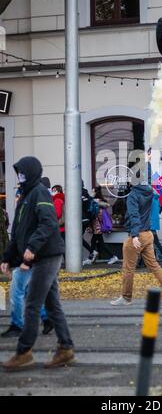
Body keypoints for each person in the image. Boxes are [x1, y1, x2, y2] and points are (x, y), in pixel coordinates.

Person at [1, 156, 74, 370]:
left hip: (47, 255)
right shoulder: (25, 195)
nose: (19, 176)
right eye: (18, 173)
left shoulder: (39, 192)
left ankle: (24, 352)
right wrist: (8, 257)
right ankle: (66, 348)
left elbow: (49, 222)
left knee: (32, 303)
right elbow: (18, 232)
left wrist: (32, 248)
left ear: (31, 173)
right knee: (52, 305)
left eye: (22, 173)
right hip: (41, 255)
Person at [110, 165, 162, 306]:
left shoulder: (133, 195)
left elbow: (134, 216)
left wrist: (134, 236)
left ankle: (126, 297)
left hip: (137, 235)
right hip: (148, 234)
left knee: (128, 268)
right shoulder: (149, 192)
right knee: (154, 265)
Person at [1, 177, 53, 338]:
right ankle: (46, 318)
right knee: (29, 292)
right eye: (16, 194)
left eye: (18, 194)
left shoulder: (31, 213)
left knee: (18, 292)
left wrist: (25, 261)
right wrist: (7, 259)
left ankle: (18, 324)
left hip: (30, 260)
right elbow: (15, 239)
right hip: (25, 260)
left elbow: (36, 237)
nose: (16, 197)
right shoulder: (20, 213)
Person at [83, 186, 119, 266]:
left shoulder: (96, 200)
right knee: (94, 242)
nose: (91, 192)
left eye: (93, 191)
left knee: (100, 243)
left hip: (97, 224)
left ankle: (113, 256)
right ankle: (90, 258)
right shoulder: (96, 200)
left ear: (96, 192)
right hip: (95, 224)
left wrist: (91, 198)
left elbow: (105, 206)